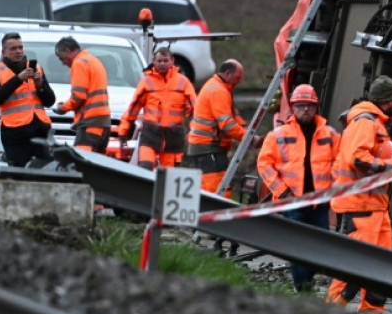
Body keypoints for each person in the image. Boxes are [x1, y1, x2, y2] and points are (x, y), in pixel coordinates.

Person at [325, 75, 392, 314]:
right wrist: (390, 166)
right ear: (389, 101)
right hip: (361, 206)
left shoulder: (374, 122)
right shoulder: (365, 122)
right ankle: (330, 312)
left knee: (380, 266)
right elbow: (358, 160)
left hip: (375, 206)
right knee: (354, 266)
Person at [257, 83, 340, 293]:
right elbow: (264, 165)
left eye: (309, 106)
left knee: (321, 246)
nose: (305, 109)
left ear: (316, 107)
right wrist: (283, 191)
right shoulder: (278, 134)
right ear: (293, 107)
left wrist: (333, 191)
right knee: (296, 247)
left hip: (319, 203)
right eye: (301, 105)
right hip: (291, 202)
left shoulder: (330, 135)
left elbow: (339, 164)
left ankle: (306, 282)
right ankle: (302, 288)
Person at [187, 59, 263, 197]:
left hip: (206, 147)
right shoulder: (219, 91)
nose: (239, 81)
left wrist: (246, 128)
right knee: (218, 191)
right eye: (238, 77)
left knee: (212, 188)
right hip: (209, 148)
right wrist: (251, 139)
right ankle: (221, 217)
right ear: (228, 73)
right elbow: (227, 124)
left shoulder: (218, 87)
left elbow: (233, 115)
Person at [118, 47, 196, 170]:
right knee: (145, 168)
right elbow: (133, 108)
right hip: (150, 134)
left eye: (165, 61)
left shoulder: (183, 82)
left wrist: (193, 132)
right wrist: (123, 130)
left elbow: (195, 110)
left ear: (172, 61)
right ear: (154, 61)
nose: (162, 64)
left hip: (173, 137)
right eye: (159, 61)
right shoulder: (146, 82)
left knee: (168, 176)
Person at [0, 32, 56, 167]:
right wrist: (18, 79)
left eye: (20, 47)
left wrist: (40, 85)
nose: (18, 51)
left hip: (40, 127)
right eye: (13, 48)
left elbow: (50, 101)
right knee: (18, 171)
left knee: (44, 169)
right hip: (14, 131)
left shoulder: (36, 68)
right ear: (4, 51)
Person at [51, 36, 112, 154]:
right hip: (103, 125)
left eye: (61, 58)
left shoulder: (79, 63)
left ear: (68, 51)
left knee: (81, 165)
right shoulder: (93, 61)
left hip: (90, 125)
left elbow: (78, 97)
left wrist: (62, 108)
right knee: (95, 168)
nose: (63, 63)